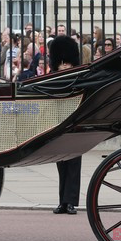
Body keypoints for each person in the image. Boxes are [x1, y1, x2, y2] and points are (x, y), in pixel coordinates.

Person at [49, 35, 82, 215]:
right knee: (61, 163)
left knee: (74, 163)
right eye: (61, 63)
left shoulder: (78, 77)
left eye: (67, 63)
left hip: (74, 123)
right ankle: (63, 201)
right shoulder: (53, 78)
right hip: (59, 124)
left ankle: (71, 202)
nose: (65, 66)